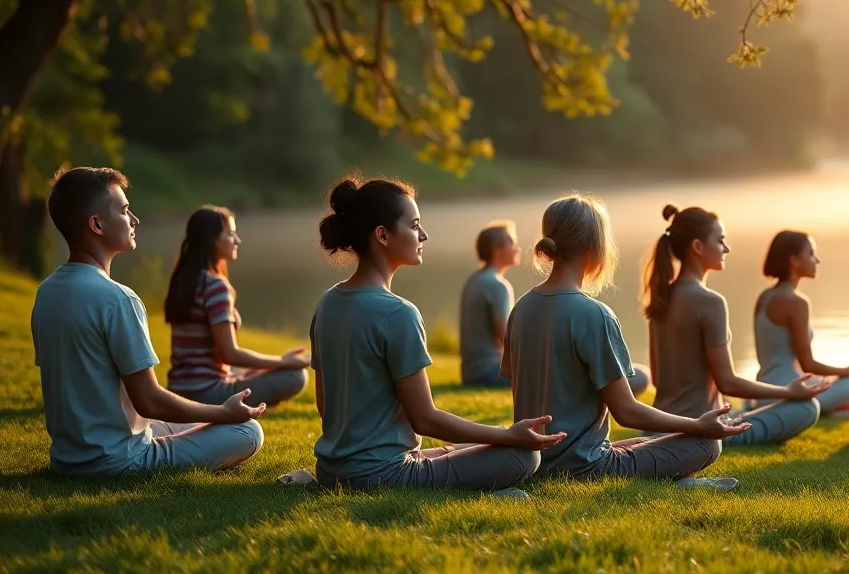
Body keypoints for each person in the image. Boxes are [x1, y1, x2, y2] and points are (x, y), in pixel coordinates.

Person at [310, 174, 563, 495]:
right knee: (523, 455)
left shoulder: (328, 302)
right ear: (383, 235)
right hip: (381, 475)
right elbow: (425, 419)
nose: (423, 235)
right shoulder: (398, 313)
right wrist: (509, 435)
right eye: (414, 225)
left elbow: (325, 406)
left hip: (331, 471)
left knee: (477, 446)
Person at [31, 167, 265, 476]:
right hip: (120, 460)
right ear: (97, 224)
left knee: (199, 422)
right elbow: (150, 401)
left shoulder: (47, 292)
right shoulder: (118, 299)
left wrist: (212, 415)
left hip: (67, 459)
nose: (134, 220)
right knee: (248, 431)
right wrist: (223, 411)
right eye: (124, 210)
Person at [504, 194, 749, 487]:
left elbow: (518, 378)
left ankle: (679, 481)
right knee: (706, 443)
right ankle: (679, 480)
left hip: (532, 461)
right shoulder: (595, 315)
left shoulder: (522, 307)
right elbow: (627, 412)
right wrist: (697, 424)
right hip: (584, 467)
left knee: (642, 443)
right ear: (595, 246)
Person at [644, 205, 831, 447]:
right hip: (701, 431)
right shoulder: (710, 301)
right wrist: (788, 391)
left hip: (658, 428)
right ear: (698, 247)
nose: (726, 248)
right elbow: (728, 382)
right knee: (806, 407)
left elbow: (657, 379)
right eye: (720, 240)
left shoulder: (661, 298)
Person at [164, 205, 309, 407]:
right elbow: (230, 354)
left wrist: (268, 365)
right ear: (212, 239)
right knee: (295, 375)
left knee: (251, 371)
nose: (237, 240)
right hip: (208, 394)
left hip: (178, 390)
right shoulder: (215, 286)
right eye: (230, 233)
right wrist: (283, 362)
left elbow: (221, 358)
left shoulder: (183, 281)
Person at [751, 230, 849, 417]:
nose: (816, 260)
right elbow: (808, 364)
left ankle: (831, 410)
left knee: (838, 384)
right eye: (811, 254)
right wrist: (847, 370)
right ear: (794, 260)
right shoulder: (796, 302)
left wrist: (838, 374)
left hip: (763, 391)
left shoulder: (765, 297)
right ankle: (826, 409)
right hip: (788, 392)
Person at [458, 221, 520, 387]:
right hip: (490, 371)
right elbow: (506, 338)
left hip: (470, 372)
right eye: (512, 243)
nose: (517, 248)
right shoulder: (498, 286)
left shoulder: (473, 280)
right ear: (497, 250)